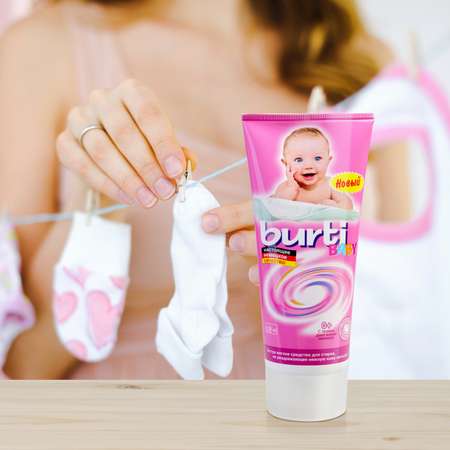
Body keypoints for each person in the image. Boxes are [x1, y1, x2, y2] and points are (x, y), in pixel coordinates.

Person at [0, 0, 394, 379]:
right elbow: (23, 366)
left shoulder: (364, 63)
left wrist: (304, 273)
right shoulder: (42, 48)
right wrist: (98, 208)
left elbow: (402, 332)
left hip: (314, 408)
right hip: (121, 415)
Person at [272, 127, 353, 209]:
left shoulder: (331, 185)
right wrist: (292, 188)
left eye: (317, 158)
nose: (309, 166)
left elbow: (348, 206)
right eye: (298, 160)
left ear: (328, 161)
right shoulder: (285, 187)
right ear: (286, 164)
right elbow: (275, 208)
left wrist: (333, 207)